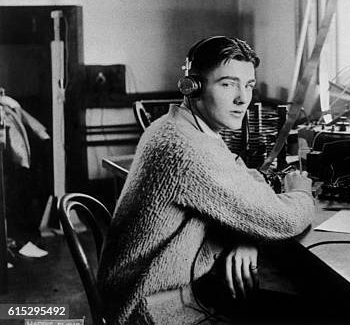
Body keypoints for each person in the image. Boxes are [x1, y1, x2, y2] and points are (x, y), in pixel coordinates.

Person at [97, 36, 315, 324]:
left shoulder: (175, 126)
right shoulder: (186, 148)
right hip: (153, 311)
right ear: (192, 87)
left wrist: (248, 234)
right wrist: (301, 192)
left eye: (248, 85)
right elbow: (283, 221)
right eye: (227, 84)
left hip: (154, 296)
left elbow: (240, 179)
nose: (243, 98)